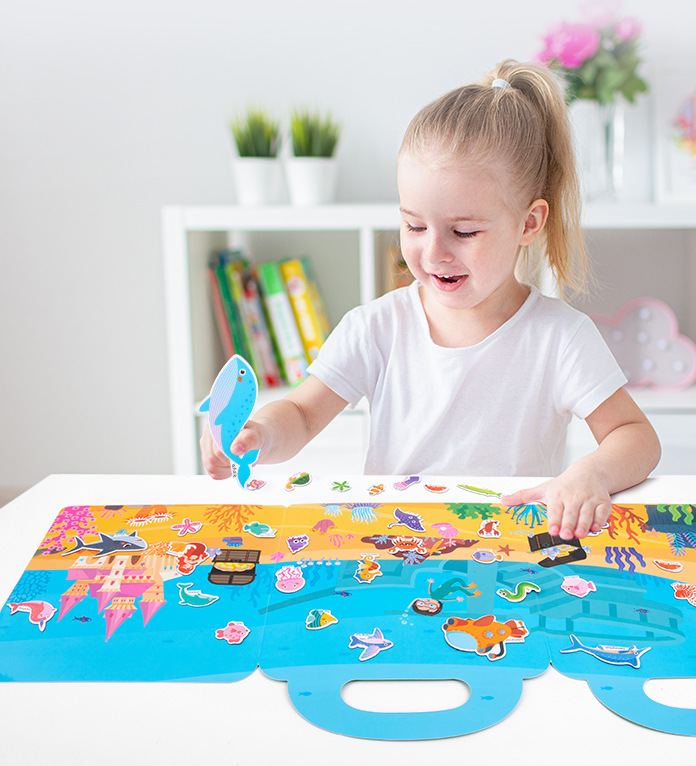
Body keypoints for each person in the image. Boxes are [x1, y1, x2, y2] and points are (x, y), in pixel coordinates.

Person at [201, 59, 661, 540]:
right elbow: (301, 413)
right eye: (414, 226)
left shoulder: (561, 337)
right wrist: (259, 433)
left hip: (508, 550)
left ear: (529, 223)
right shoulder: (376, 327)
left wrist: (591, 473)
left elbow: (636, 437)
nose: (434, 251)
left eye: (464, 232)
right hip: (393, 546)